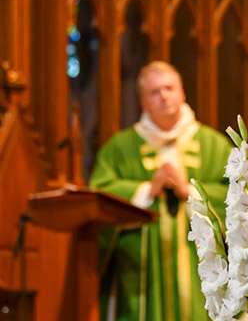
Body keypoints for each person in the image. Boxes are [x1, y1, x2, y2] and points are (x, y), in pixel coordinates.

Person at [90, 61, 232, 321]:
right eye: (155, 92)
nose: (164, 96)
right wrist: (146, 191)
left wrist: (189, 191)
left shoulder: (216, 145)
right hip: (140, 272)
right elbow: (99, 196)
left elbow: (237, 199)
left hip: (199, 268)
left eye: (169, 88)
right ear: (143, 102)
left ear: (182, 93)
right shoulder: (119, 148)